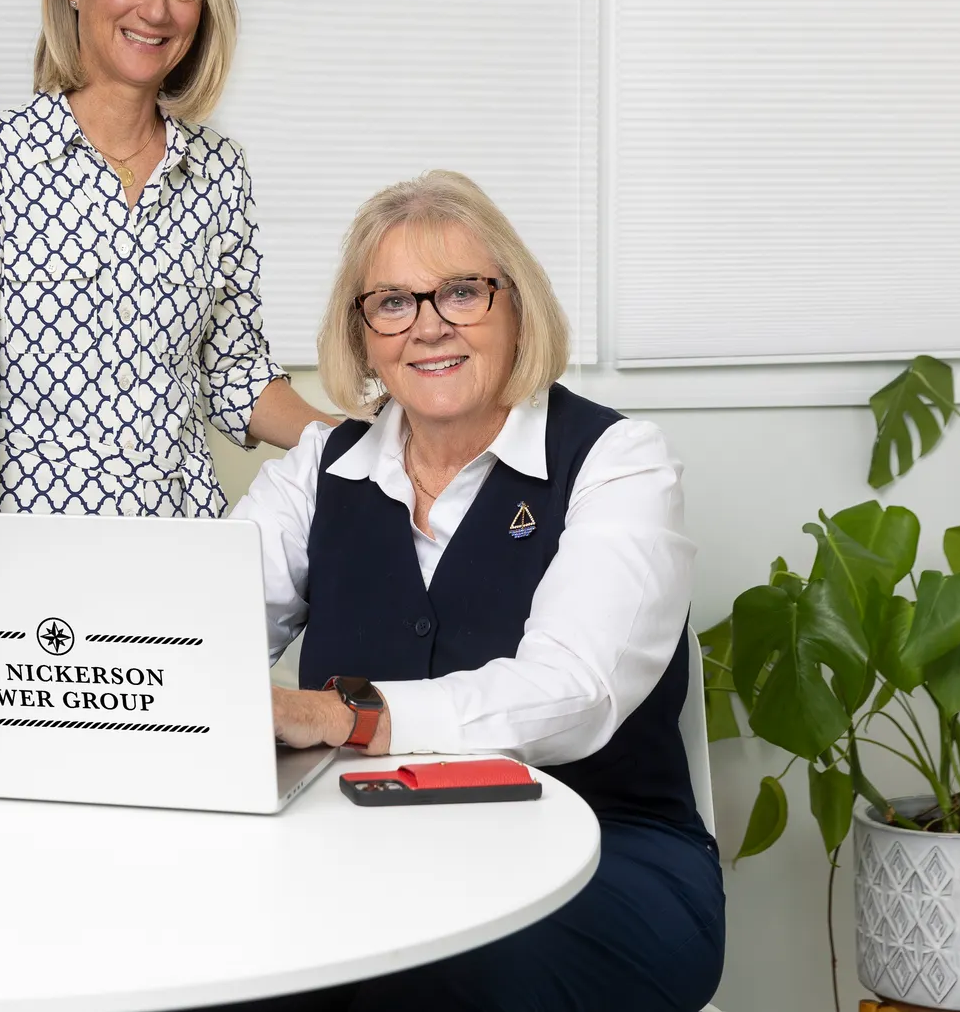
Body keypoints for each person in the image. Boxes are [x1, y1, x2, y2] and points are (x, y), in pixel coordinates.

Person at [238, 171, 724, 1012]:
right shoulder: (321, 471)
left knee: (429, 975)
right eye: (392, 302)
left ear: (516, 306)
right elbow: (189, 631)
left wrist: (351, 715)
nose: (428, 326)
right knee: (236, 960)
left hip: (609, 860)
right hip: (366, 857)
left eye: (461, 292)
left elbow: (573, 691)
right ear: (363, 335)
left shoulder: (619, 462)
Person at [0, 0, 329, 514]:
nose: (156, 11)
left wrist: (354, 445)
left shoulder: (219, 172)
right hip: (31, 549)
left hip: (182, 547)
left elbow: (234, 374)